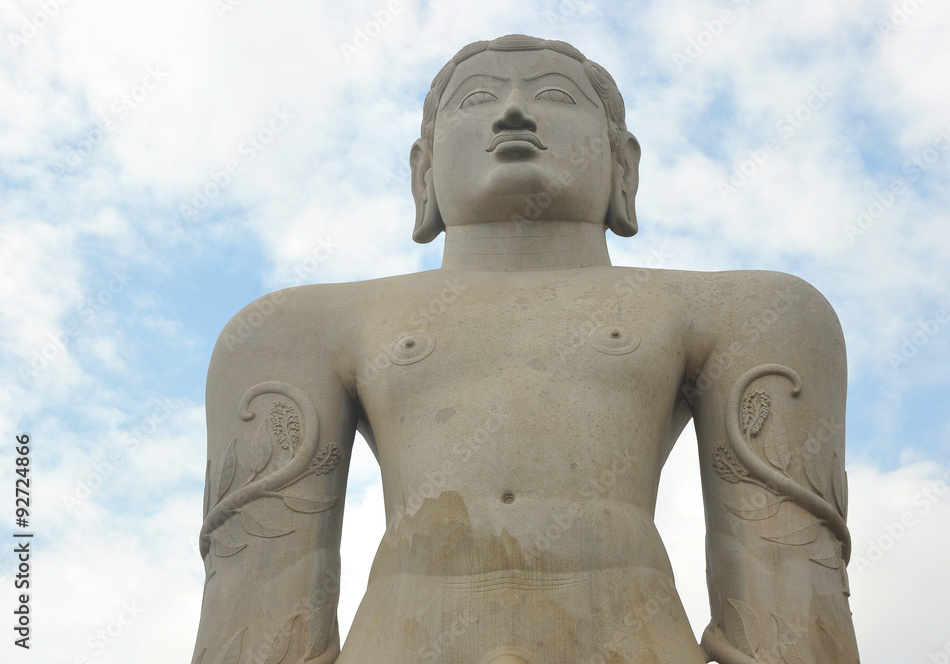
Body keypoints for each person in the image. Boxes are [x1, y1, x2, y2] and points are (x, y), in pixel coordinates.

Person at [191, 34, 860, 664]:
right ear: (423, 170)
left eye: (555, 96)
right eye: (477, 99)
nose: (513, 112)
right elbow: (257, 612)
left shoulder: (754, 313)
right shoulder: (295, 327)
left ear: (621, 161)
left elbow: (791, 600)